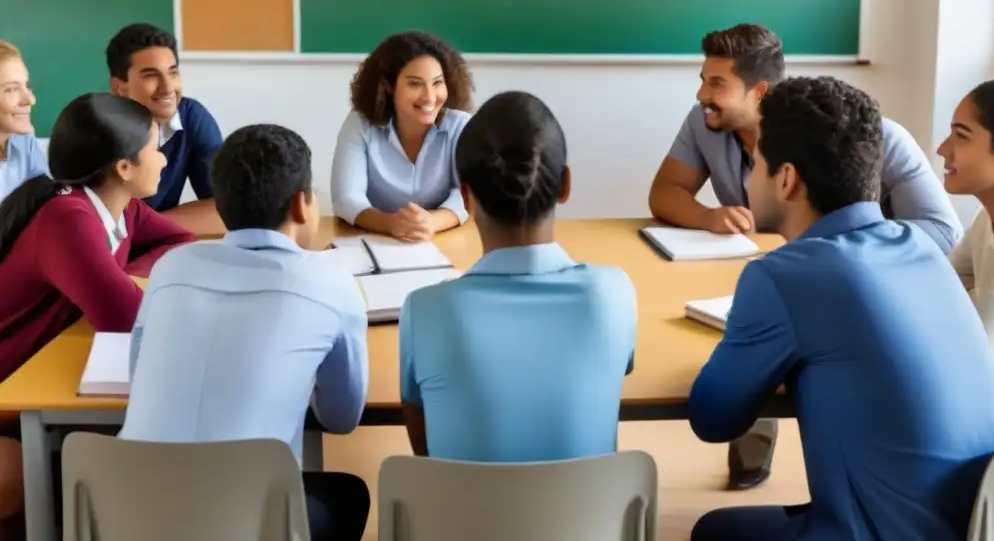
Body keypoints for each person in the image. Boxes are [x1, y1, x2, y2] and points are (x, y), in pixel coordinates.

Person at [688, 76, 994, 541]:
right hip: (988, 526)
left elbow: (712, 419)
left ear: (786, 179)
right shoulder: (920, 247)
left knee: (714, 531)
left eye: (756, 161)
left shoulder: (784, 274)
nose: (748, 176)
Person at [648, 23, 963, 489]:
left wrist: (840, 257)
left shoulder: (873, 139)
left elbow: (943, 232)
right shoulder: (712, 127)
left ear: (786, 178)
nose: (702, 95)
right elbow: (664, 193)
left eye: (757, 166)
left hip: (851, 295)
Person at [120, 124, 371, 541]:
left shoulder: (170, 268)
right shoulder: (329, 282)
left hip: (127, 511)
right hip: (248, 521)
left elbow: (137, 377)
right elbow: (342, 418)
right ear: (302, 204)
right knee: (347, 493)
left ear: (219, 206)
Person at [398, 91, 637, 461]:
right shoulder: (614, 293)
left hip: (462, 519)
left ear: (466, 198)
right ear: (565, 185)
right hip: (587, 518)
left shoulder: (425, 309)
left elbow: (426, 451)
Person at [0, 93, 195, 536]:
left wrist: (118, 273)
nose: (164, 160)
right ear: (123, 167)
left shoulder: (121, 205)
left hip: (34, 377)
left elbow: (178, 241)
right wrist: (117, 283)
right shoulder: (69, 217)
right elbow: (126, 320)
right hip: (10, 389)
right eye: (153, 148)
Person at [939, 79, 994, 436]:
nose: (943, 149)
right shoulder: (987, 218)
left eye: (961, 135)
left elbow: (976, 359)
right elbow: (932, 287)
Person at [331, 30, 474, 241]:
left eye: (437, 83)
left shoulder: (460, 125)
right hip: (374, 242)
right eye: (415, 83)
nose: (429, 97)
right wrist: (391, 224)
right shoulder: (360, 124)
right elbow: (347, 198)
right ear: (388, 87)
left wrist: (431, 222)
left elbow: (468, 194)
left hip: (445, 241)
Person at [107, 23, 224, 236]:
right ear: (118, 87)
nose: (168, 87)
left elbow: (227, 210)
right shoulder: (96, 127)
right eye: (151, 75)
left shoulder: (191, 118)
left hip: (151, 241)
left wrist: (146, 226)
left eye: (173, 73)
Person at [0, 41, 46, 202]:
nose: (30, 100)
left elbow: (48, 193)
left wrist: (69, 192)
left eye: (26, 86)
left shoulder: (24, 140)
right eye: (11, 89)